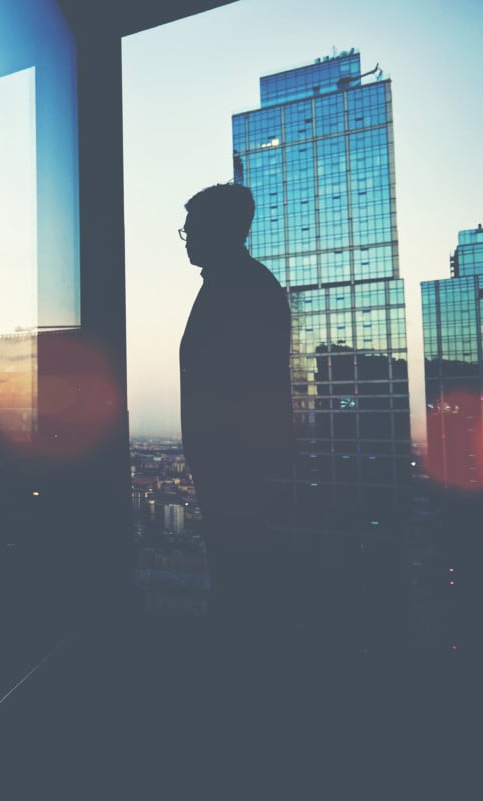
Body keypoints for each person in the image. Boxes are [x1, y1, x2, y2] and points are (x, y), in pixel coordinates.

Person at [178, 183, 294, 651]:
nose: (186, 238)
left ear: (221, 230)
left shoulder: (240, 288)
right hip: (237, 463)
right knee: (237, 576)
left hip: (237, 466)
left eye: (191, 229)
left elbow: (242, 383)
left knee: (239, 580)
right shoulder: (241, 283)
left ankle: (236, 663)